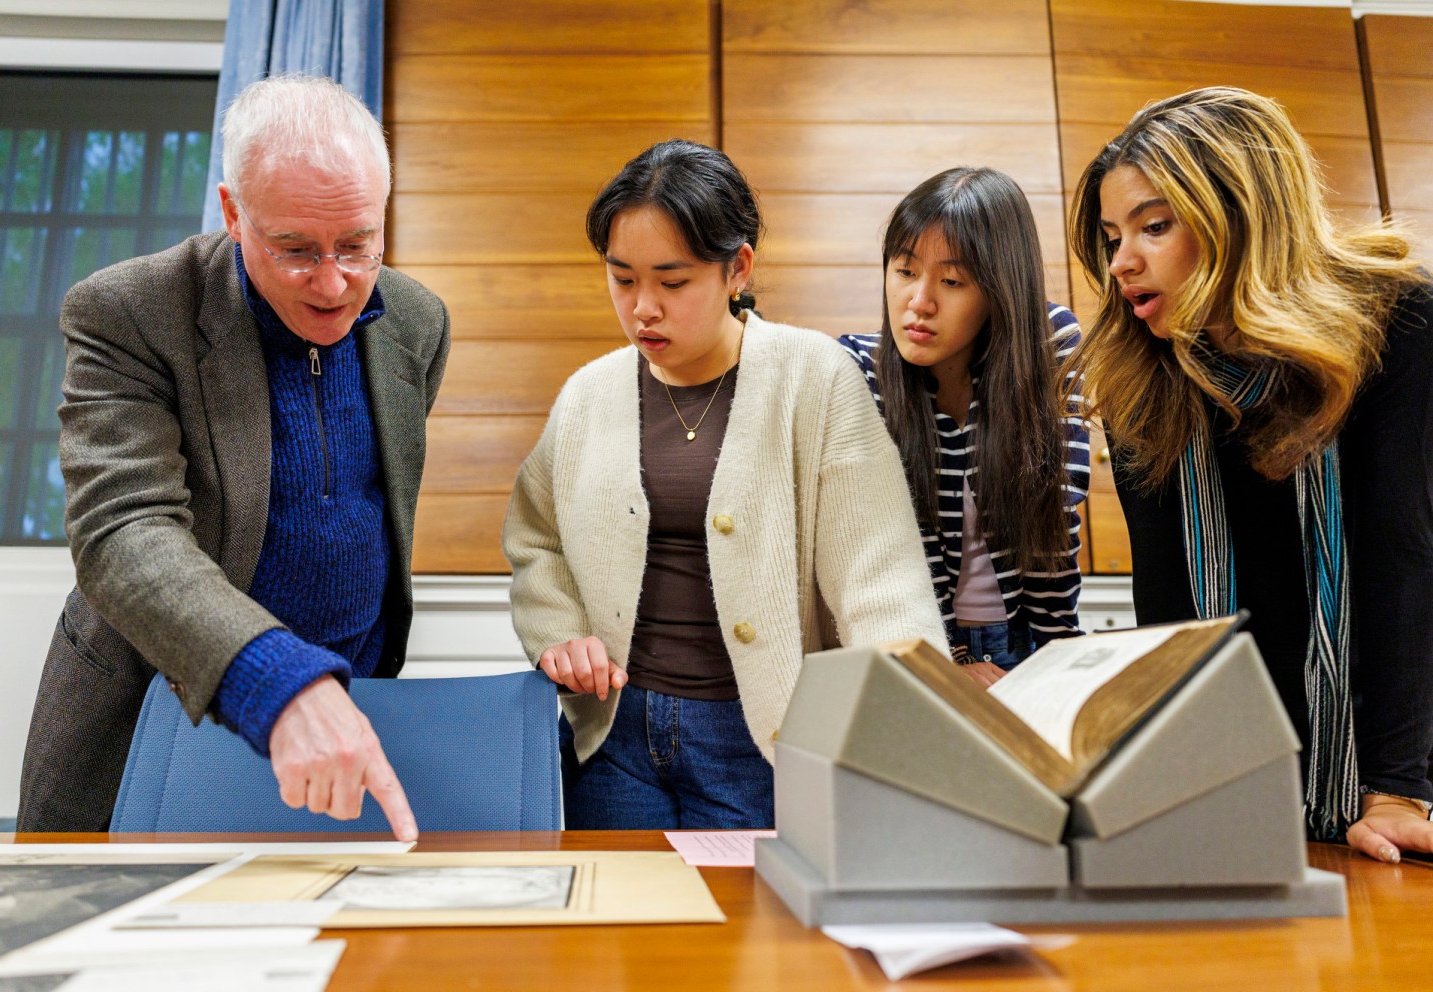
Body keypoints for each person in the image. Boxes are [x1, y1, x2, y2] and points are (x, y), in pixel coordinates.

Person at [17, 75, 451, 840]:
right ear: (232, 214)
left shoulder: (418, 321)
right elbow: (123, 530)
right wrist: (279, 680)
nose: (333, 283)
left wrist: (325, 692)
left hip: (335, 721)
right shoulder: (131, 313)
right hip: (157, 707)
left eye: (358, 245)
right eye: (294, 251)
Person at [502, 139, 947, 830]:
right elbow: (539, 541)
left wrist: (915, 731)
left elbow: (878, 575)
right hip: (615, 735)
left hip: (761, 736)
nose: (642, 307)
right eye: (622, 279)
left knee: (758, 933)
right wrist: (560, 632)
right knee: (626, 931)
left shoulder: (814, 378)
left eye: (672, 282)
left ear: (737, 268)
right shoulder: (589, 395)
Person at [1064, 86, 1433, 860]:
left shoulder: (1400, 324)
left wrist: (1397, 786)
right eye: (1110, 236)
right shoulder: (1141, 375)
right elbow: (1167, 606)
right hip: (1244, 779)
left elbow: (1404, 562)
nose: (1122, 261)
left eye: (1154, 226)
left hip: (1396, 768)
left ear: (1241, 212)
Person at [839, 167, 1089, 683]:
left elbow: (1053, 515)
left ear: (1000, 289)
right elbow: (889, 544)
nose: (919, 302)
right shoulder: (858, 369)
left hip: (1030, 640)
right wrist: (952, 663)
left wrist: (1058, 656)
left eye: (952, 281)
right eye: (905, 271)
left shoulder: (1049, 344)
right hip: (912, 651)